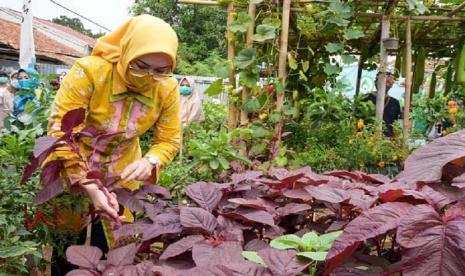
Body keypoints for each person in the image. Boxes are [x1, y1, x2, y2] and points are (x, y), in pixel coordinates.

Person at [46, 15, 180, 274]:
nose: (148, 77)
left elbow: (169, 139)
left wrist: (150, 161)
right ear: (126, 52)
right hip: (73, 170)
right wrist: (87, 184)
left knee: (118, 251)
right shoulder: (90, 72)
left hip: (122, 180)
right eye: (140, 66)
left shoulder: (167, 88)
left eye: (160, 71)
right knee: (69, 252)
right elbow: (61, 133)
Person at [364, 72, 401, 137]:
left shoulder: (395, 103)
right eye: (386, 81)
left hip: (387, 141)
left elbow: (395, 125)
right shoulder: (365, 98)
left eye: (390, 82)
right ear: (376, 82)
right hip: (366, 138)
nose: (388, 84)